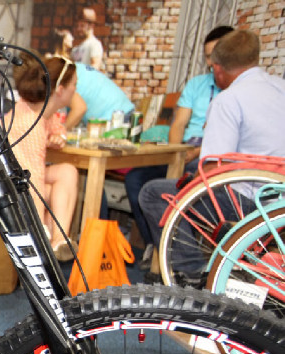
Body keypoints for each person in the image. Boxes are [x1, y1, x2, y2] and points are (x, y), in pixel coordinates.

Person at [140, 29, 285, 282]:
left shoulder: (228, 100)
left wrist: (190, 179)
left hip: (251, 203)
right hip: (279, 200)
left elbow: (213, 169)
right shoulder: (280, 88)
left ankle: (191, 275)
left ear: (217, 69)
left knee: (154, 192)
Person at [124, 25, 233, 269]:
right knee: (135, 179)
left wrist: (192, 154)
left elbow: (222, 139)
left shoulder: (235, 90)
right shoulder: (197, 84)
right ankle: (155, 244)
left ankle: (180, 261)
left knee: (172, 185)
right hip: (184, 150)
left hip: (209, 157)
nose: (210, 62)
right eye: (207, 56)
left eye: (215, 55)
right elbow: (178, 124)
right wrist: (175, 152)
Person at [0, 55, 79, 259]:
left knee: (67, 172)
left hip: (10, 178)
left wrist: (58, 136)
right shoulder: (30, 122)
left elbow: (56, 127)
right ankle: (44, 238)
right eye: (74, 85)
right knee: (52, 191)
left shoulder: (37, 112)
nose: (76, 90)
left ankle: (58, 240)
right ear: (61, 90)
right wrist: (38, 225)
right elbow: (32, 178)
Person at [65, 63, 134, 130]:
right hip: (124, 110)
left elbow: (80, 109)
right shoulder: (76, 67)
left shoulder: (65, 76)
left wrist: (61, 131)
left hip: (113, 118)